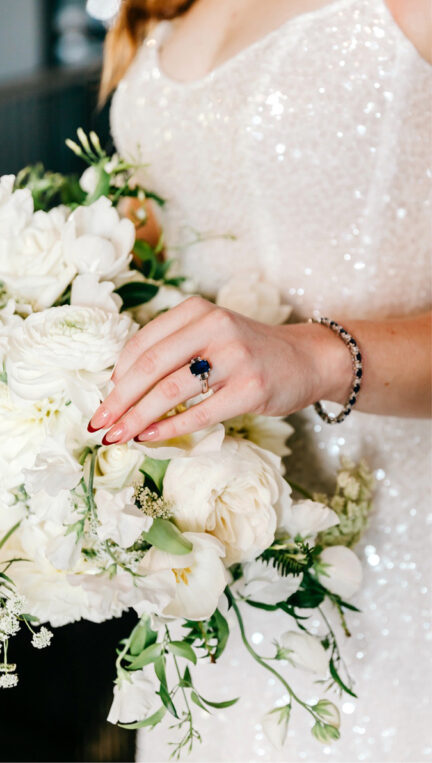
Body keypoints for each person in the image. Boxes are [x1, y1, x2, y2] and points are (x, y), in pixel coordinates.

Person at [100, 0, 431, 759]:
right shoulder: (155, 10)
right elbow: (161, 237)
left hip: (398, 558)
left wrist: (313, 357)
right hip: (216, 562)